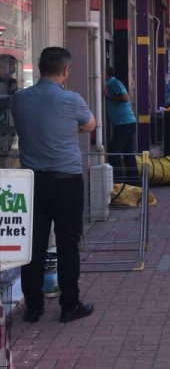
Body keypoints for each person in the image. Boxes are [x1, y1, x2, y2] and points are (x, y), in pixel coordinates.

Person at [12, 47, 96, 323]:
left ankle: (33, 307)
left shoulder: (20, 99)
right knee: (67, 244)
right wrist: (69, 129)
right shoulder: (72, 99)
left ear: (39, 68)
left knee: (32, 246)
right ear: (66, 71)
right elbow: (91, 125)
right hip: (67, 182)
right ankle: (69, 305)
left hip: (32, 181)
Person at [104, 66, 138, 183]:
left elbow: (124, 97)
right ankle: (133, 182)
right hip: (125, 124)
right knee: (128, 154)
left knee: (113, 152)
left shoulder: (113, 83)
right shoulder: (110, 84)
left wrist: (108, 96)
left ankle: (117, 181)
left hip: (125, 124)